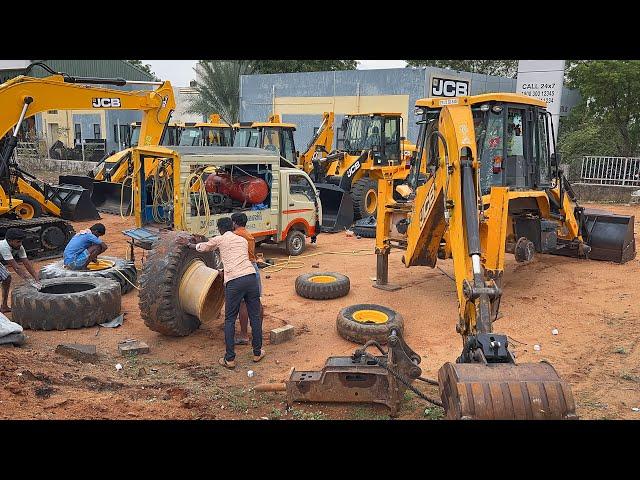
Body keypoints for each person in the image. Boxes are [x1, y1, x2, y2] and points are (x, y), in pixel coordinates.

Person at [178, 217, 264, 369]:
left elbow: (203, 247)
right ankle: (257, 352)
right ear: (232, 226)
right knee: (255, 316)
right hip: (250, 278)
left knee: (230, 319)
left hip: (234, 282)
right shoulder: (242, 241)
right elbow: (237, 259)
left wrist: (189, 244)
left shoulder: (220, 239)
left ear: (219, 229)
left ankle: (229, 359)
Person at [231, 212, 263, 346]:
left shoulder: (235, 236)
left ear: (234, 223)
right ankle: (258, 332)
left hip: (243, 269)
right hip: (254, 268)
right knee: (257, 301)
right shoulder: (249, 235)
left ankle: (244, 335)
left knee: (243, 304)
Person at [0, 228, 41, 313]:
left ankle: (4, 306)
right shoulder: (3, 246)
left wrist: (37, 278)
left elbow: (27, 263)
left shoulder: (19, 247)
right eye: (18, 242)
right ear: (10, 241)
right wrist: (30, 281)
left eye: (21, 241)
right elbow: (16, 267)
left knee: (7, 278)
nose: (20, 244)